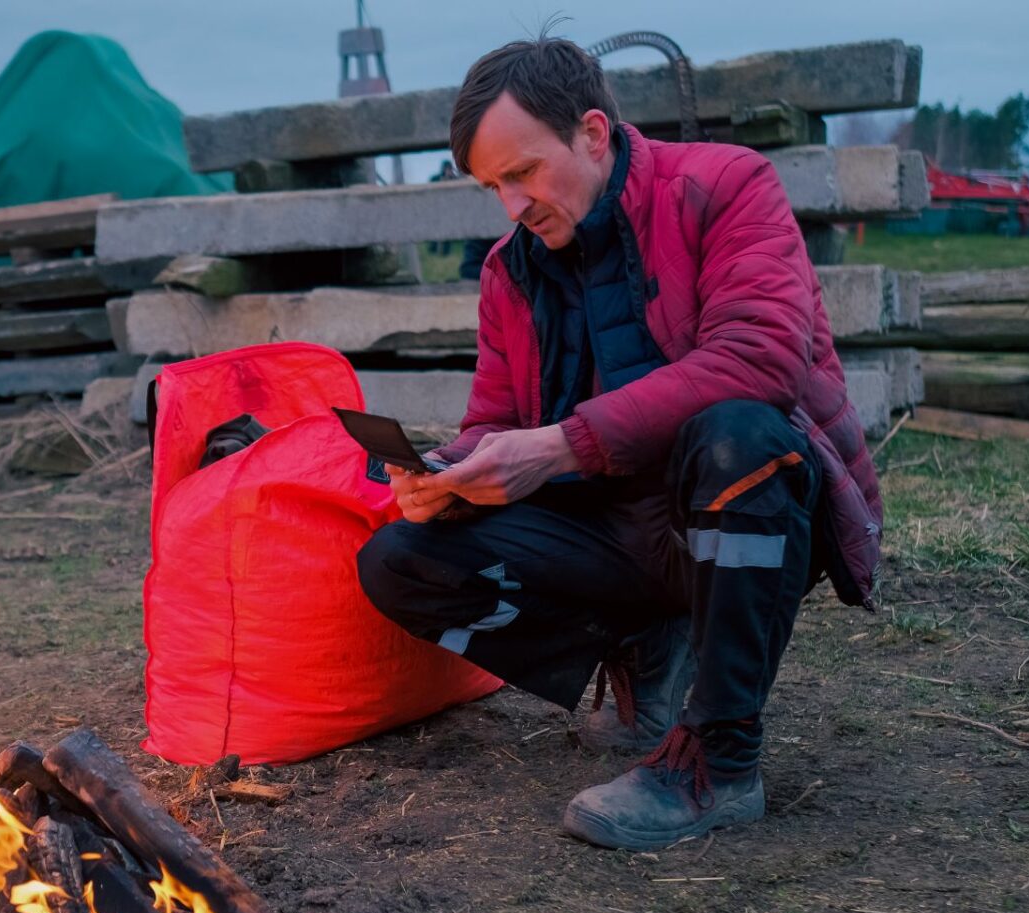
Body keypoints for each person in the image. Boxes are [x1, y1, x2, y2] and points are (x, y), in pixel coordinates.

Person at [356, 34, 883, 851]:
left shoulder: (727, 184)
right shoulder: (511, 269)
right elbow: (495, 417)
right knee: (400, 557)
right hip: (609, 534)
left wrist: (558, 447)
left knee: (739, 434)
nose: (512, 204)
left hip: (742, 501)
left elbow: (760, 361)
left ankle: (720, 760)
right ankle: (639, 639)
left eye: (523, 172)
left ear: (593, 134)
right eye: (493, 184)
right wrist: (451, 473)